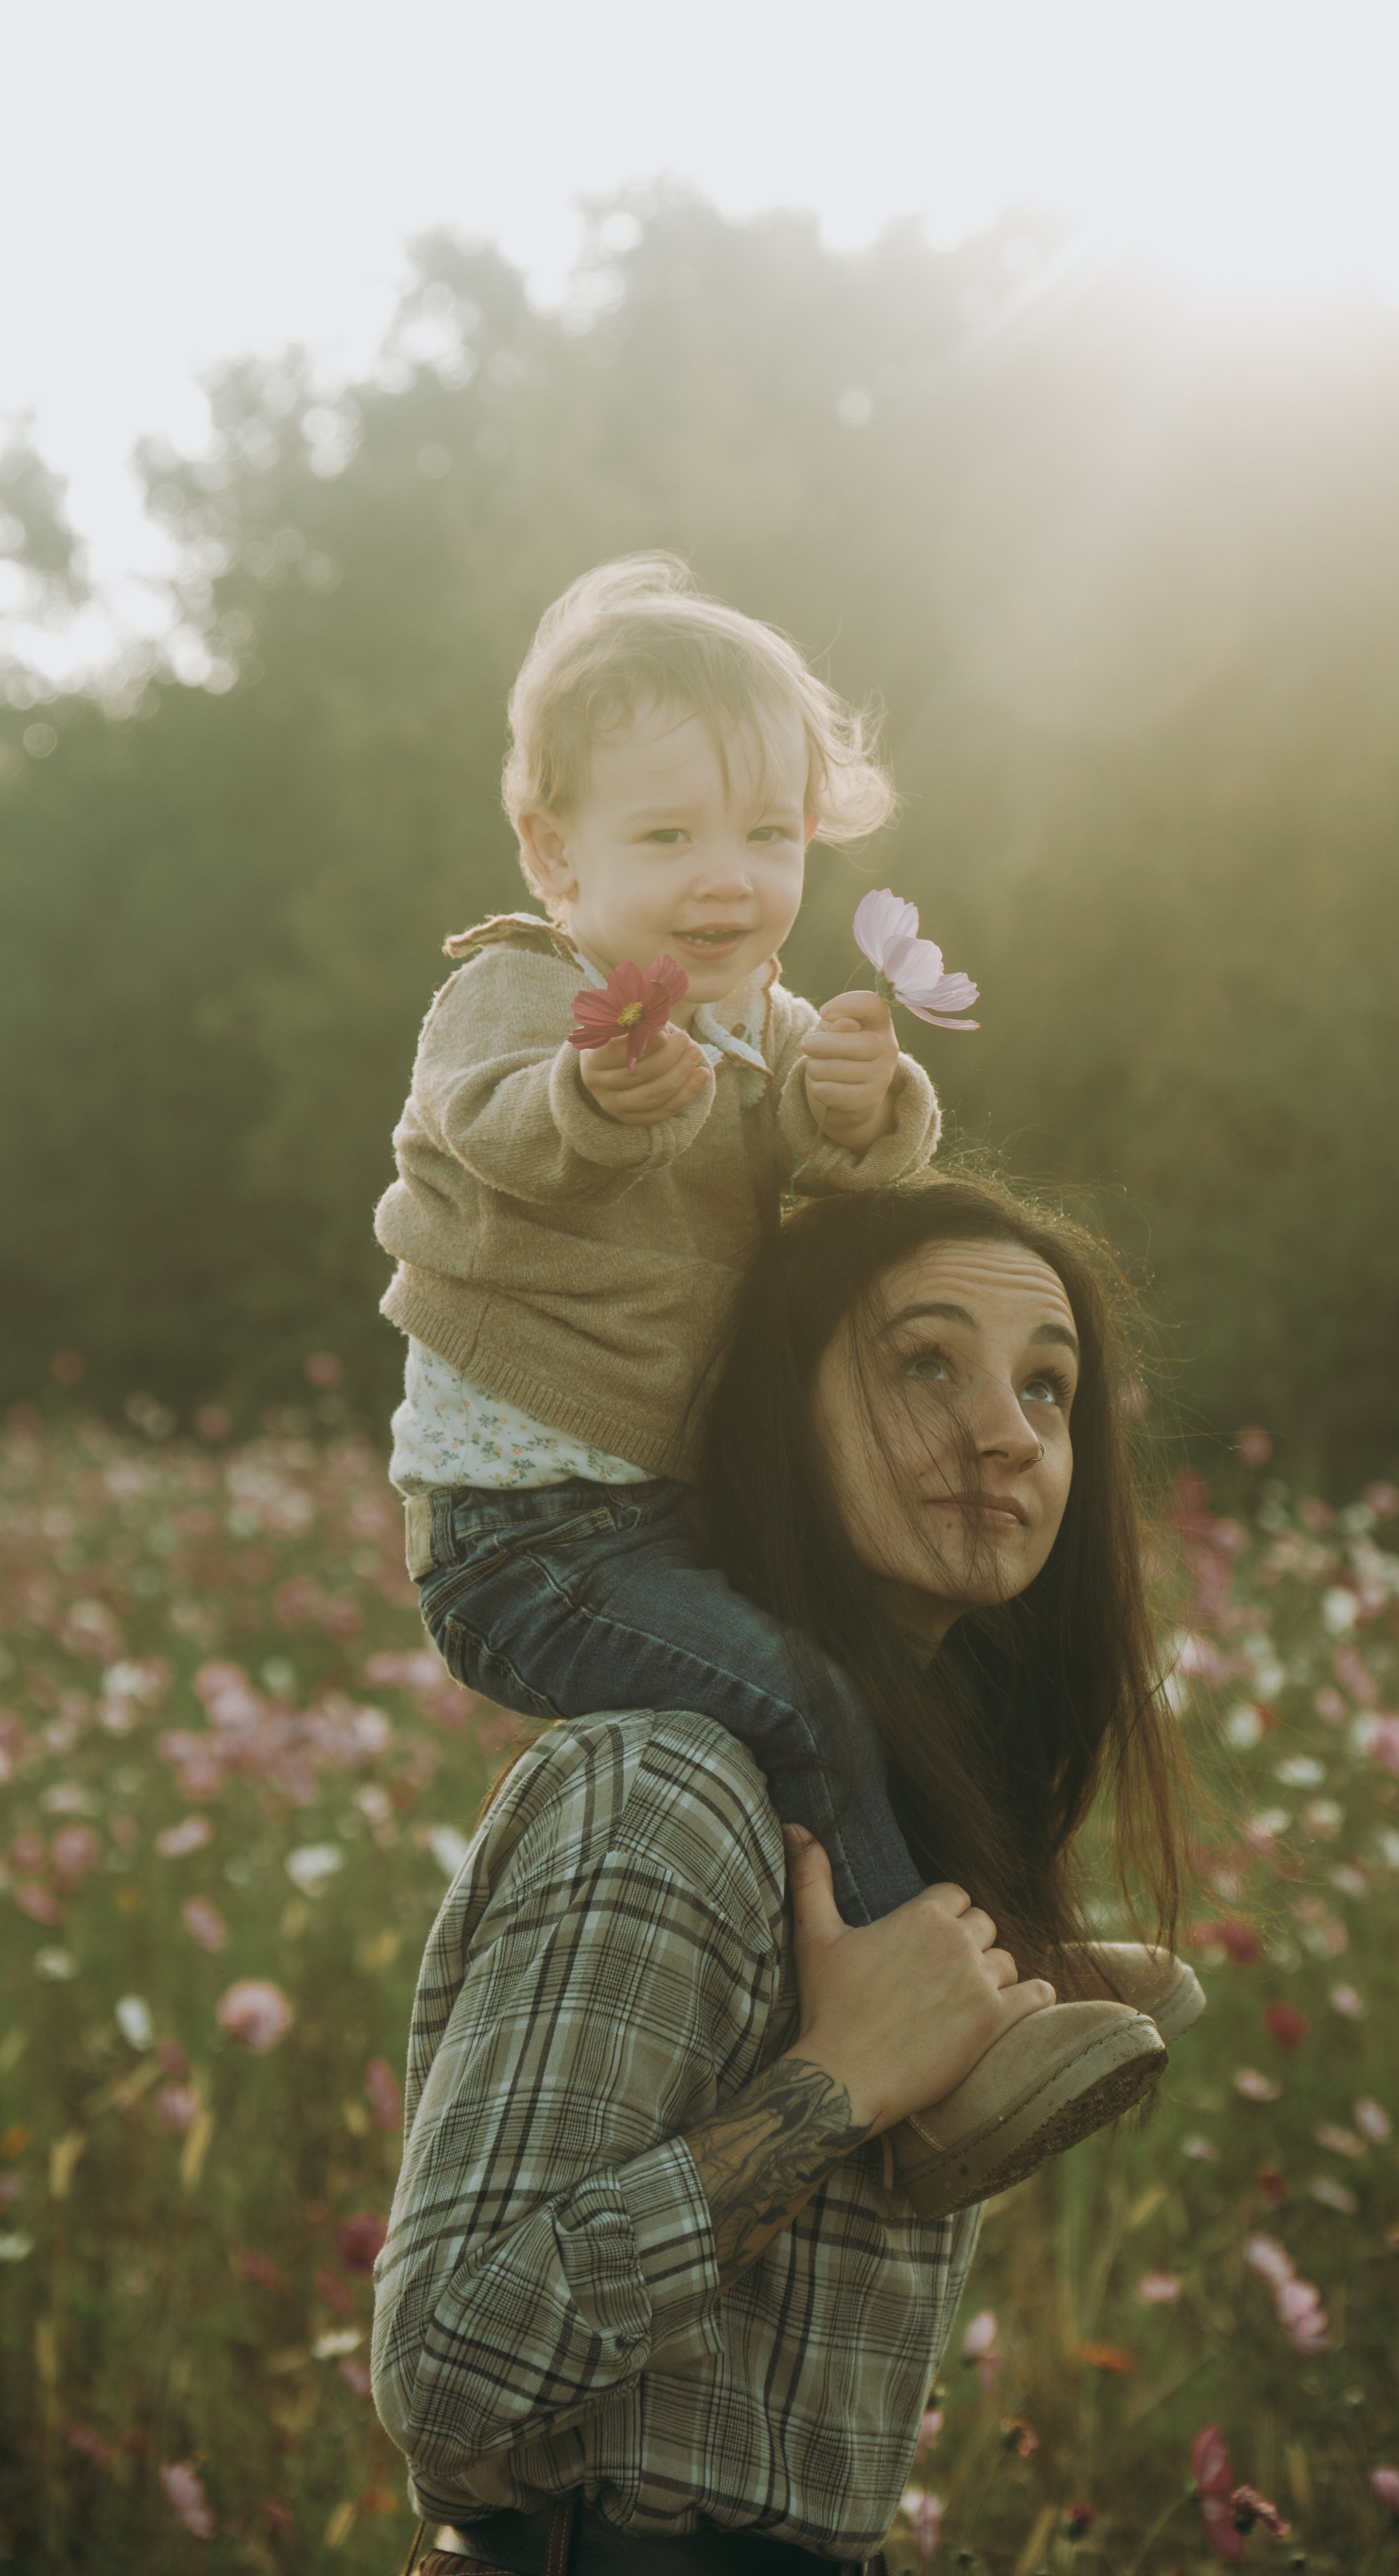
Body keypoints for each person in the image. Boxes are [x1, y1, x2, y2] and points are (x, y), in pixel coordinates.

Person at [374, 556, 1175, 2197]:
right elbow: (498, 1130)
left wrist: (865, 1100)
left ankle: (1006, 1959)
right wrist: (603, 1090)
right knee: (798, 1693)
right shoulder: (519, 998)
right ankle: (936, 2058)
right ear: (555, 855)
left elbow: (839, 1178)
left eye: (769, 837)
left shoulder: (761, 1013)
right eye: (665, 840)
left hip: (665, 1512)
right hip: (523, 1539)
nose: (725, 882)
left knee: (885, 1656)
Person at [372, 1177, 1195, 2576]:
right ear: (777, 1416)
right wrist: (839, 2088)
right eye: (924, 1363)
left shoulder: (921, 1810)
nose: (1002, 1432)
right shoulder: (671, 1792)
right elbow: (450, 2369)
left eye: (1047, 1389)